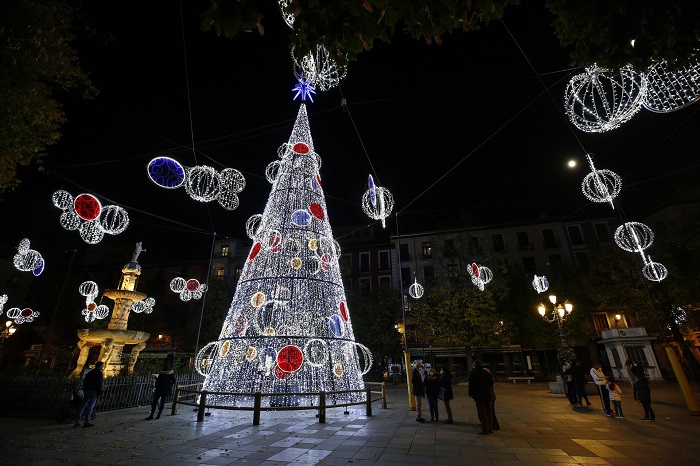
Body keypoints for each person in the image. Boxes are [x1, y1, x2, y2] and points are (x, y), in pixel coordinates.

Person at [146, 355, 177, 420]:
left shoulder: (162, 373)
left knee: (155, 401)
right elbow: (174, 381)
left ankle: (152, 415)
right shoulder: (170, 373)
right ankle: (158, 415)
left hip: (159, 388)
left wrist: (157, 386)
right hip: (165, 389)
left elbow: (158, 381)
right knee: (162, 402)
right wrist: (169, 385)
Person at [75, 361, 104, 428]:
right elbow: (99, 384)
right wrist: (99, 392)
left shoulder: (90, 372)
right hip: (94, 391)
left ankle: (77, 421)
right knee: (91, 406)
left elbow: (85, 381)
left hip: (87, 390)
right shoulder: (99, 373)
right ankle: (87, 421)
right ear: (100, 366)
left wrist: (85, 389)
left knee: (83, 405)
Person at [468, 361, 494, 435]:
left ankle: (485, 430)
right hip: (487, 395)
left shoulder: (473, 373)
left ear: (474, 366)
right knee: (489, 412)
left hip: (479, 395)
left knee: (482, 413)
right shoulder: (485, 372)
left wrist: (471, 393)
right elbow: (491, 383)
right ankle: (490, 428)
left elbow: (471, 385)